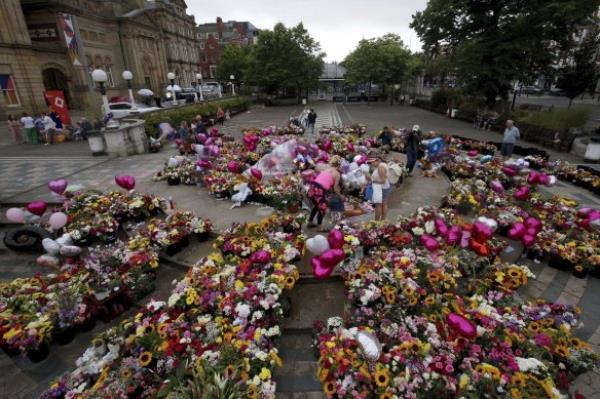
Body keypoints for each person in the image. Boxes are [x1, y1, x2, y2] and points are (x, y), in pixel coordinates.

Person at [308, 156, 342, 231]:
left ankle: (310, 222)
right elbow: (335, 189)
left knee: (317, 206)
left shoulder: (327, 169)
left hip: (312, 187)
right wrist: (341, 196)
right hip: (319, 190)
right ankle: (319, 227)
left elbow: (325, 182)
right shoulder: (337, 174)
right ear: (339, 165)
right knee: (323, 208)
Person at [369, 156, 391, 221]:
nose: (371, 164)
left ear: (377, 160)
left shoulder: (380, 167)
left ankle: (376, 221)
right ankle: (382, 220)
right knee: (384, 204)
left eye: (372, 162)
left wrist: (373, 181)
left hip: (381, 189)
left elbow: (383, 180)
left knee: (378, 206)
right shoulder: (383, 164)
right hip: (385, 187)